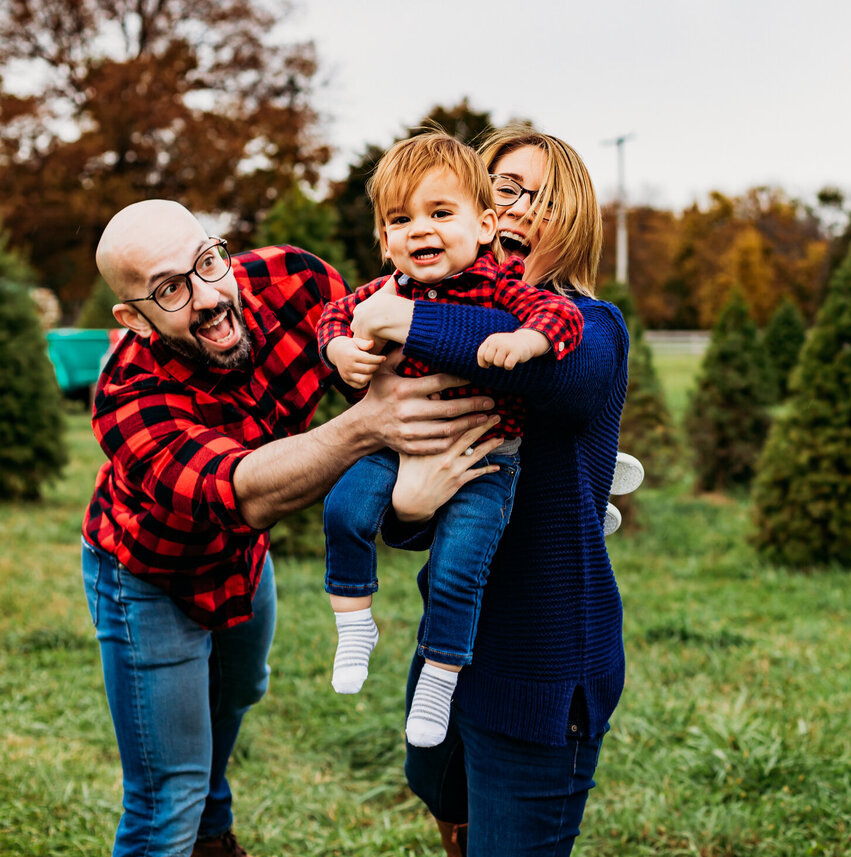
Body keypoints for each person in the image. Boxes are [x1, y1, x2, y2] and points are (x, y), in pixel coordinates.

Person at [82, 199, 500, 857]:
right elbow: (242, 491)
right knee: (168, 795)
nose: (210, 296)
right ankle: (185, 828)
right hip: (151, 570)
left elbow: (399, 357)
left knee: (240, 691)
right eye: (171, 288)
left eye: (208, 261)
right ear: (133, 318)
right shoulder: (125, 395)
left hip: (243, 557)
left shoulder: (294, 282)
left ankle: (210, 839)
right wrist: (367, 425)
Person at [331, 126, 629, 856]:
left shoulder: (592, 329)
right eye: (505, 189)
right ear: (479, 210)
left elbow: (549, 374)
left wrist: (394, 316)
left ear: (577, 221)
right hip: (450, 645)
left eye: (545, 198)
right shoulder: (442, 327)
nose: (521, 209)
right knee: (444, 803)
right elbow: (410, 520)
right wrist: (408, 504)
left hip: (542, 665)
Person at [317, 132, 584, 750]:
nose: (420, 231)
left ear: (483, 225)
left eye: (440, 214)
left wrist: (526, 342)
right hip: (396, 448)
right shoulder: (389, 291)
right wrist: (340, 348)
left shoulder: (500, 287)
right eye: (401, 220)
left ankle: (440, 675)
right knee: (342, 509)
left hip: (486, 461)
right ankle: (354, 622)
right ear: (384, 240)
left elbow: (559, 318)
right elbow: (335, 316)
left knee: (458, 567)